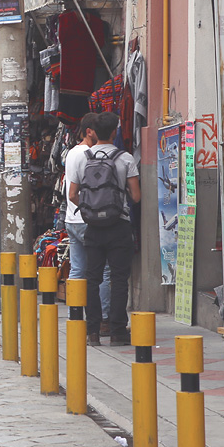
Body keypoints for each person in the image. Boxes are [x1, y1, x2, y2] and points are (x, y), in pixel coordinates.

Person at [67, 112, 141, 346]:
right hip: (118, 225)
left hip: (93, 228)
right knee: (119, 278)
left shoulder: (83, 157)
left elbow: (72, 195)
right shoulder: (126, 158)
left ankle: (93, 332)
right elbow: (136, 197)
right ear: (114, 132)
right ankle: (118, 331)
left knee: (92, 278)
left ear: (94, 132)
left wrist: (90, 210)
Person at [63, 113, 111, 332]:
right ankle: (103, 317)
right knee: (104, 269)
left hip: (71, 219)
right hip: (85, 219)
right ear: (90, 132)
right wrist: (89, 209)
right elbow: (77, 191)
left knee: (78, 269)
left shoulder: (72, 152)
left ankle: (75, 315)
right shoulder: (89, 154)